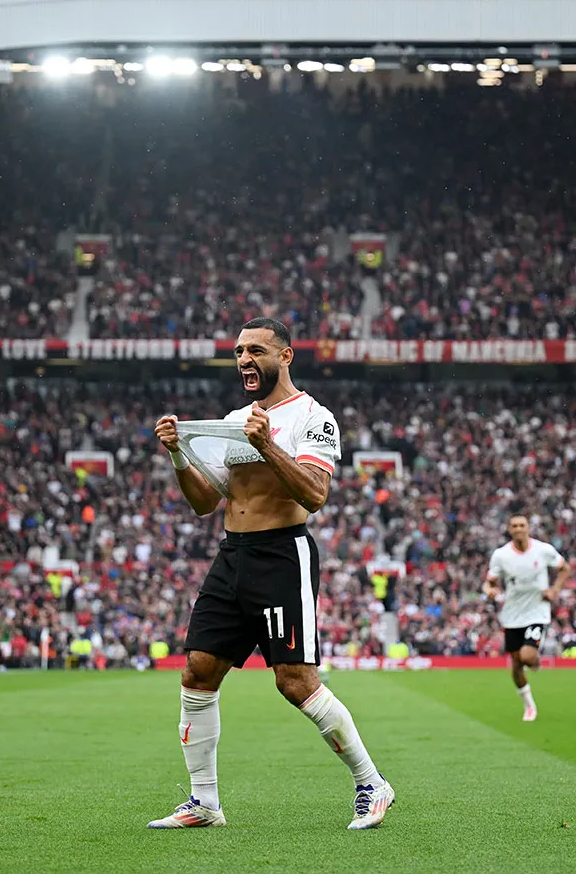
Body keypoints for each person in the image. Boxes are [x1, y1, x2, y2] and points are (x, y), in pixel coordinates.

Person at [149, 317, 394, 831]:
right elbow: (204, 502)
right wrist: (177, 455)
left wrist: (267, 445)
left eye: (255, 350)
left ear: (285, 356)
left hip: (283, 554)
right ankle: (205, 803)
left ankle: (372, 782)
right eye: (238, 351)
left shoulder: (315, 417)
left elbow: (315, 495)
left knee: (296, 681)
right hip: (232, 553)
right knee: (198, 670)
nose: (243, 360)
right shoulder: (236, 418)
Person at [482, 514, 574, 722]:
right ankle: (529, 705)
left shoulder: (543, 550)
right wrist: (489, 590)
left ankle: (534, 659)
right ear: (509, 529)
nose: (518, 529)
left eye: (522, 525)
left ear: (528, 528)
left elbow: (565, 568)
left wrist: (554, 590)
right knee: (515, 666)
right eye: (514, 525)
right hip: (512, 614)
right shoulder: (501, 555)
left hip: (537, 612)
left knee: (526, 656)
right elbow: (490, 582)